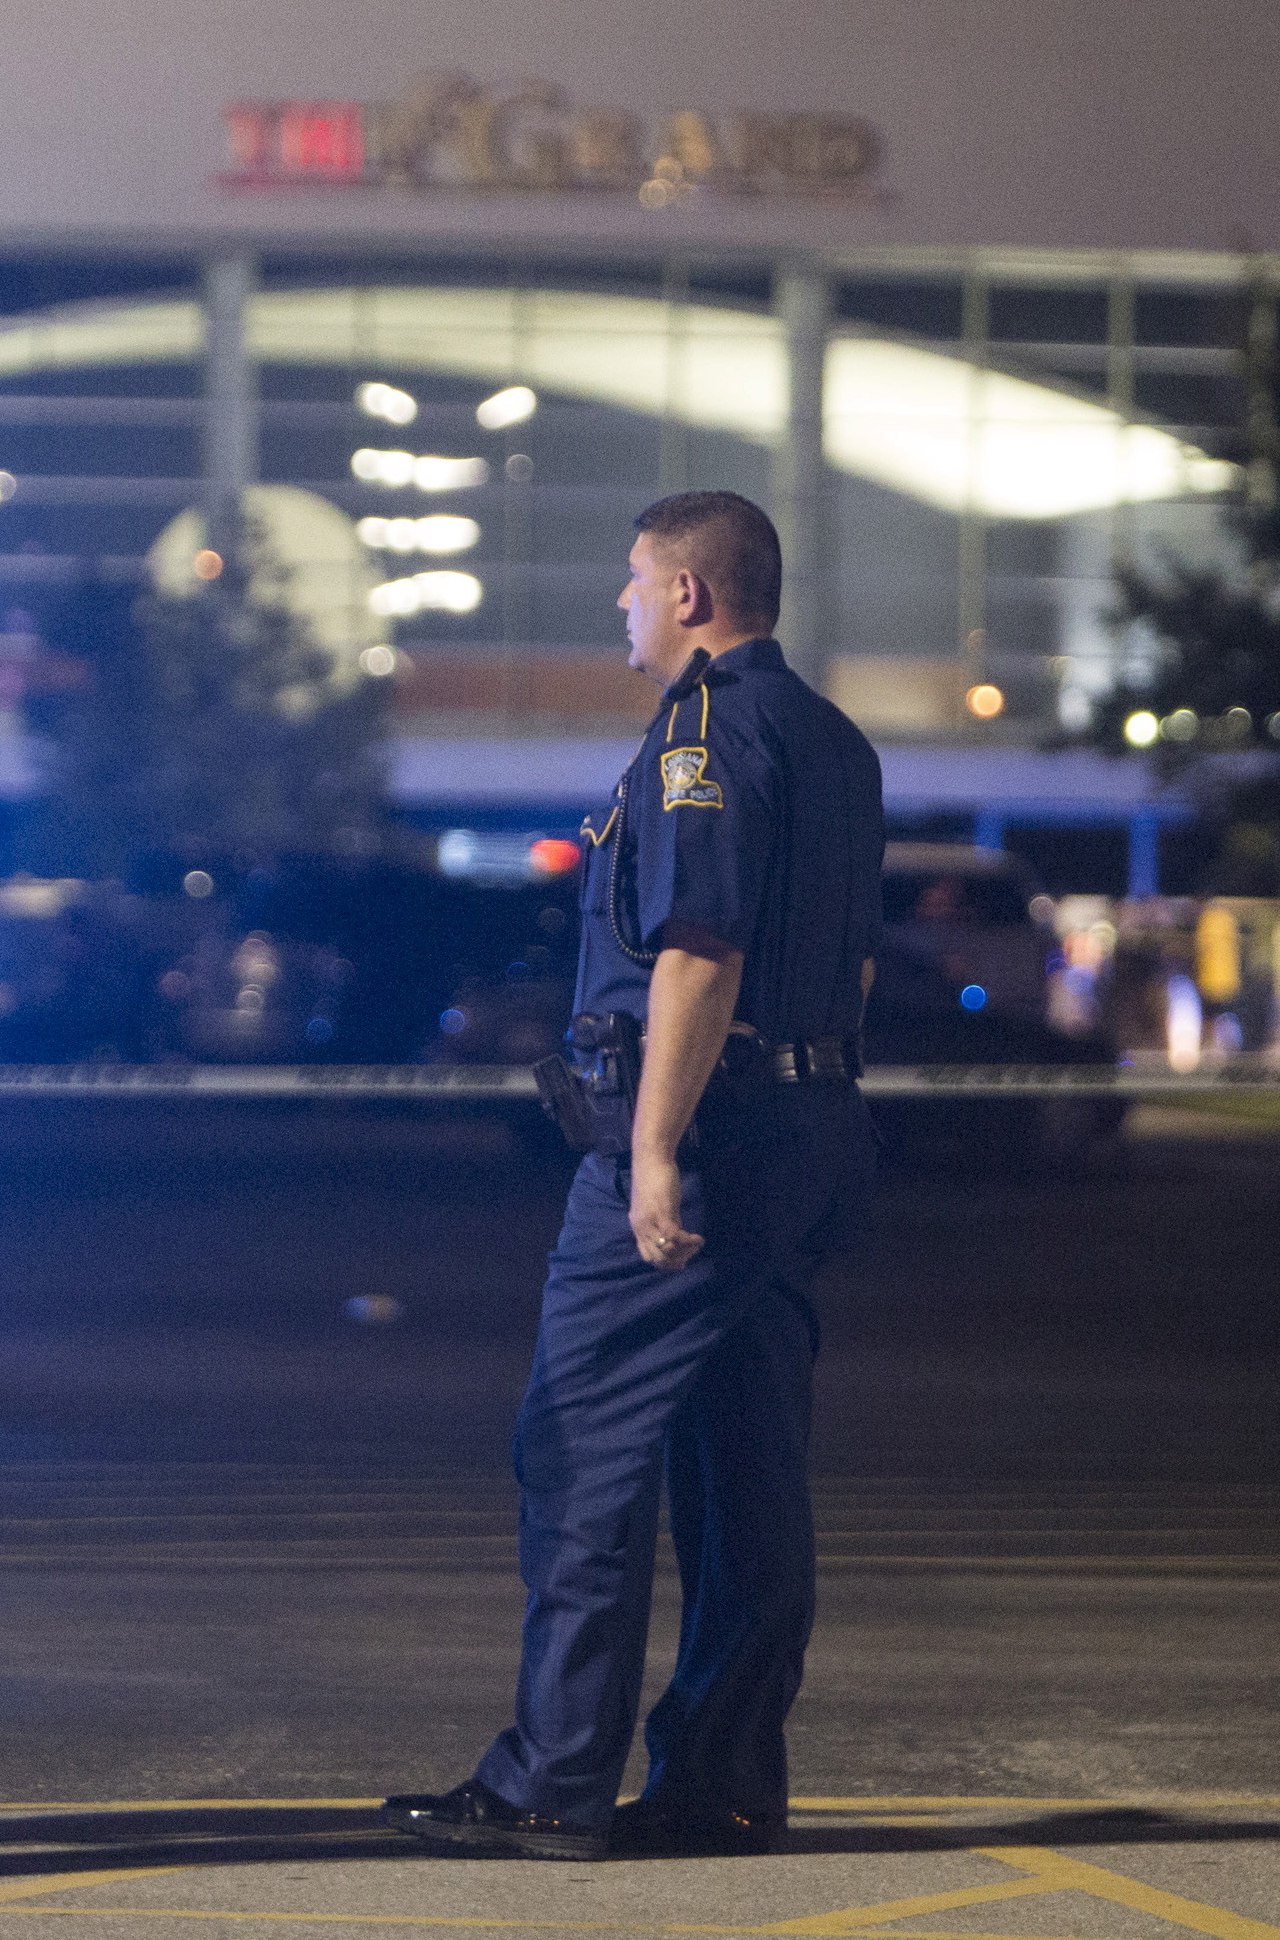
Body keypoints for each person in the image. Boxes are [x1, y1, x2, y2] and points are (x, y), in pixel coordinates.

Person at [384, 490, 883, 1862]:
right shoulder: (833, 740)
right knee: (744, 1464)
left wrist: (654, 1149)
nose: (616, 604)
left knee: (579, 1449)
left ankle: (552, 1777)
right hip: (809, 1129)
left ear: (685, 594)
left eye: (628, 581)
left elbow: (698, 948)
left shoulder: (704, 735)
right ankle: (722, 1778)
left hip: (709, 1141)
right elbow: (846, 962)